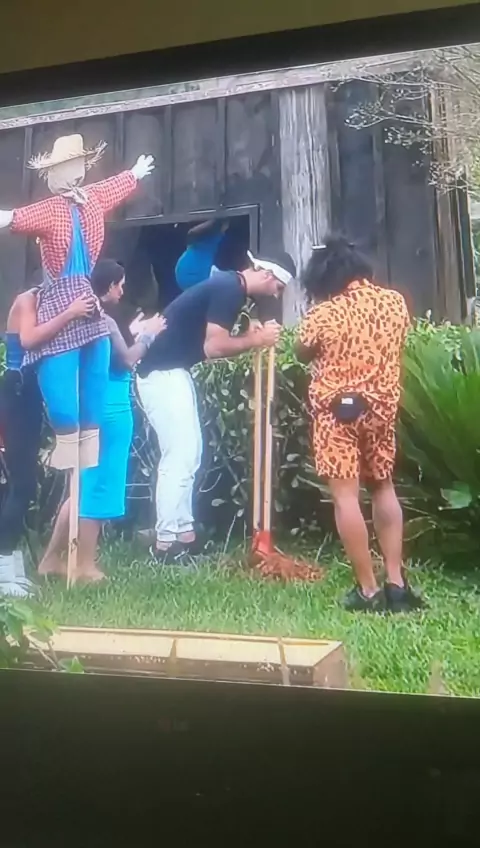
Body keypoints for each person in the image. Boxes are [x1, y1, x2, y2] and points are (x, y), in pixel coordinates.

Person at [0, 133, 155, 476]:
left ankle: (87, 437)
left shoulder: (90, 199)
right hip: (65, 295)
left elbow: (113, 188)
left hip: (82, 292)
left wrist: (134, 174)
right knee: (62, 365)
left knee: (92, 360)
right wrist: (7, 217)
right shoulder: (54, 208)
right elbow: (17, 217)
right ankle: (69, 439)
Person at [136, 249, 295, 564]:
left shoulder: (229, 286)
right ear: (267, 275)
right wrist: (255, 341)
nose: (276, 294)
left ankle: (185, 535)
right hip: (161, 374)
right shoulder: (229, 290)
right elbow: (214, 347)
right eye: (278, 287)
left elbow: (212, 341)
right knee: (179, 456)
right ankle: (166, 545)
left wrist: (248, 337)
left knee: (190, 454)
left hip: (171, 371)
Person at [296, 236, 424, 614]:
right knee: (383, 487)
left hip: (338, 413)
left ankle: (368, 590)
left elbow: (302, 350)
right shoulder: (394, 303)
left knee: (346, 496)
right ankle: (396, 584)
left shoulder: (325, 313)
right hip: (381, 410)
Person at [38, 260, 167, 584]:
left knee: (81, 487)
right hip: (111, 409)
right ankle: (84, 564)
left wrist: (132, 333)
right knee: (98, 487)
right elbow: (126, 360)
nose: (122, 291)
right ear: (108, 286)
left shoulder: (80, 317)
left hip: (89, 407)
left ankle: (51, 559)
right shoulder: (102, 319)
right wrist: (148, 336)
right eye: (119, 285)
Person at [0, 279, 96, 597]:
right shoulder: (28, 300)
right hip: (16, 392)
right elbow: (29, 339)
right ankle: (3, 571)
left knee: (25, 486)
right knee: (21, 485)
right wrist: (69, 313)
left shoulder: (49, 303)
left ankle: (12, 566)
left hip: (31, 396)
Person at [175, 220, 229, 291]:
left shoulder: (211, 241)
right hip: (191, 275)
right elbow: (191, 233)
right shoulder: (207, 239)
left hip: (190, 276)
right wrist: (216, 221)